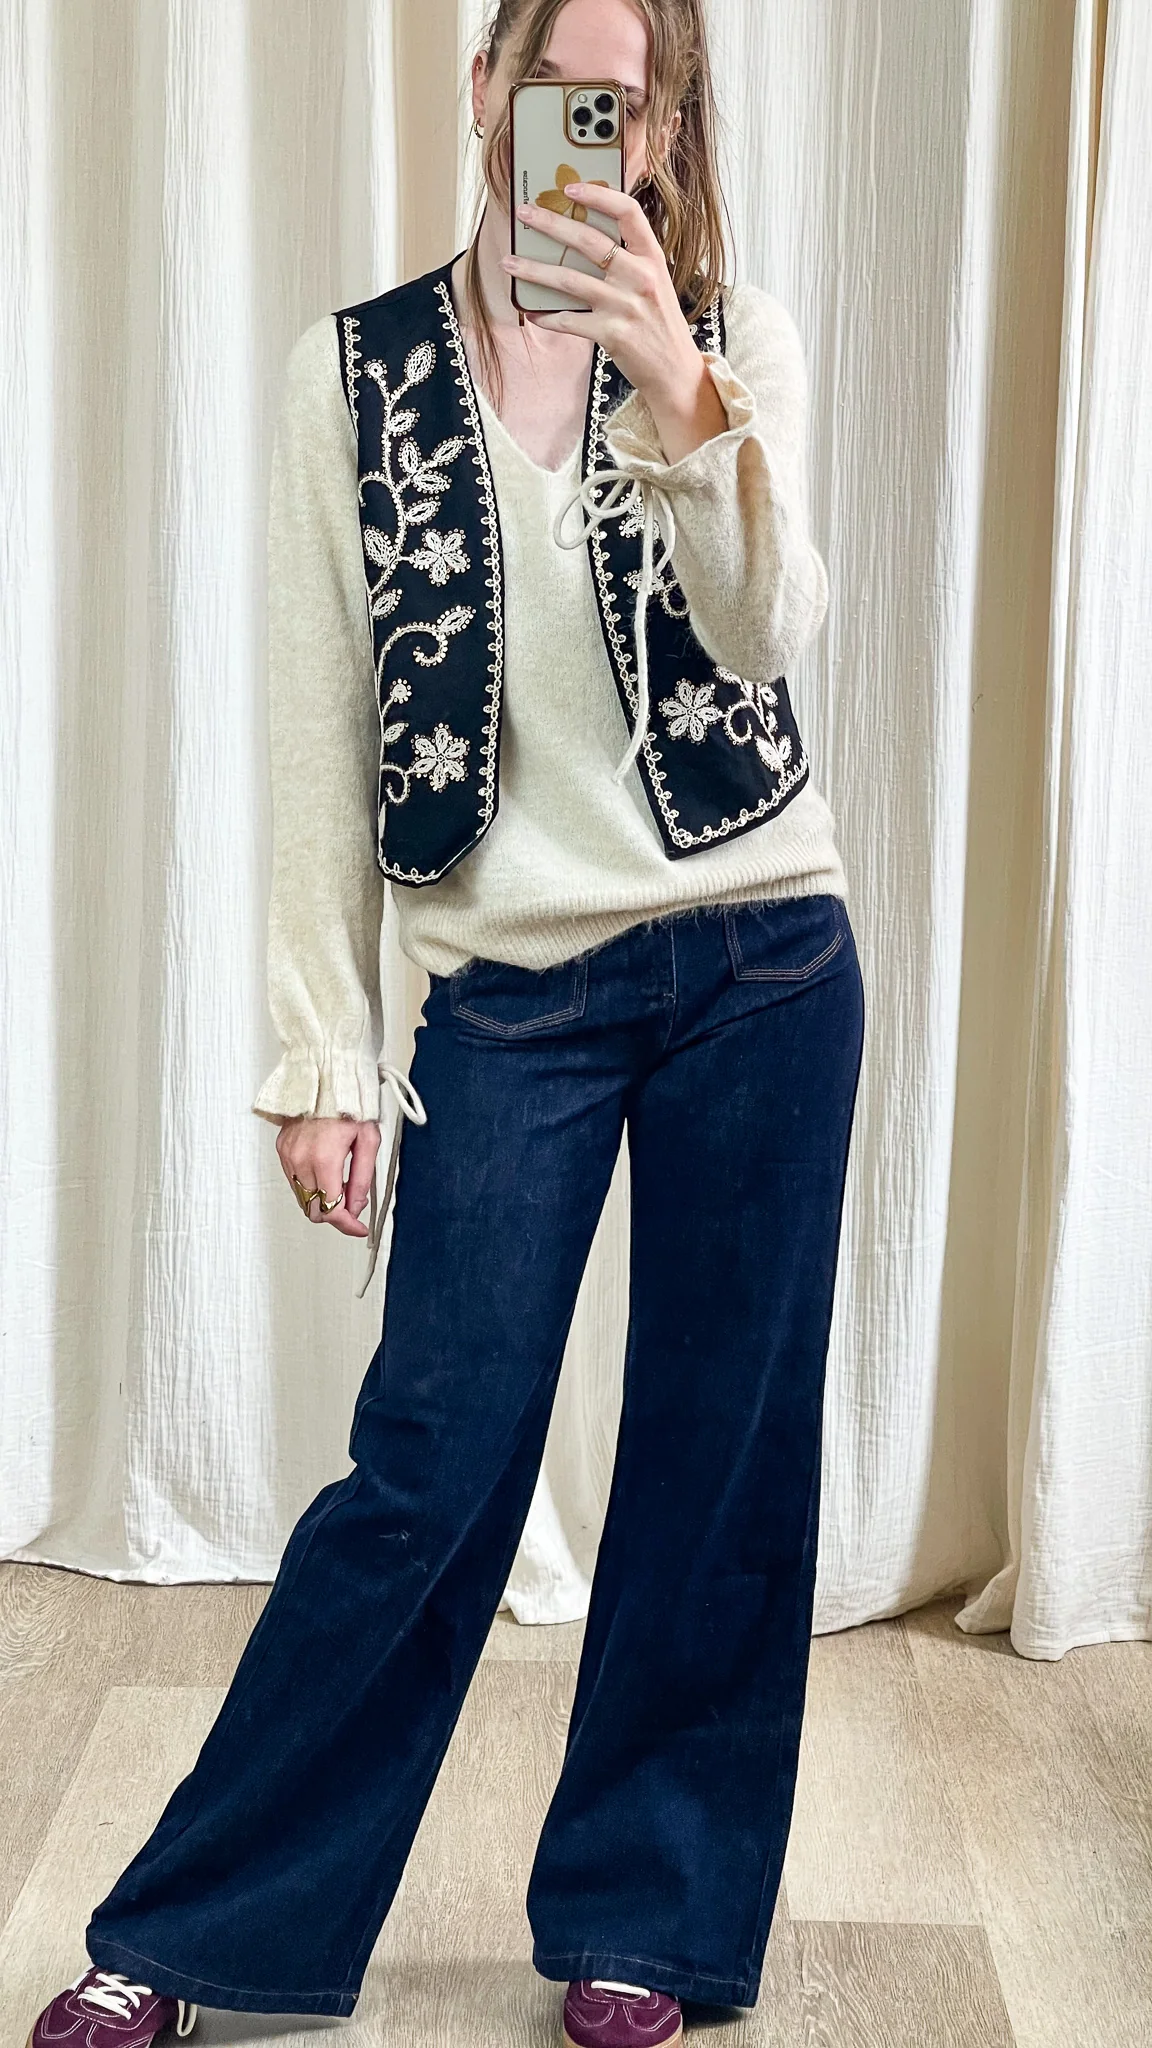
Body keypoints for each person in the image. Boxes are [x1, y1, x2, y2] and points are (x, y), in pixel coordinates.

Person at [28, 2, 864, 2044]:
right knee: (427, 1460)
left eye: (625, 100)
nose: (587, 124)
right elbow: (320, 733)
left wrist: (680, 389)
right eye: (554, 82)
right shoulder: (362, 375)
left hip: (761, 961)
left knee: (717, 1461)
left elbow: (771, 633)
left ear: (659, 129)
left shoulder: (731, 337)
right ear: (486, 87)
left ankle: (648, 1921)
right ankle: (198, 1932)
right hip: (511, 993)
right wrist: (327, 1056)